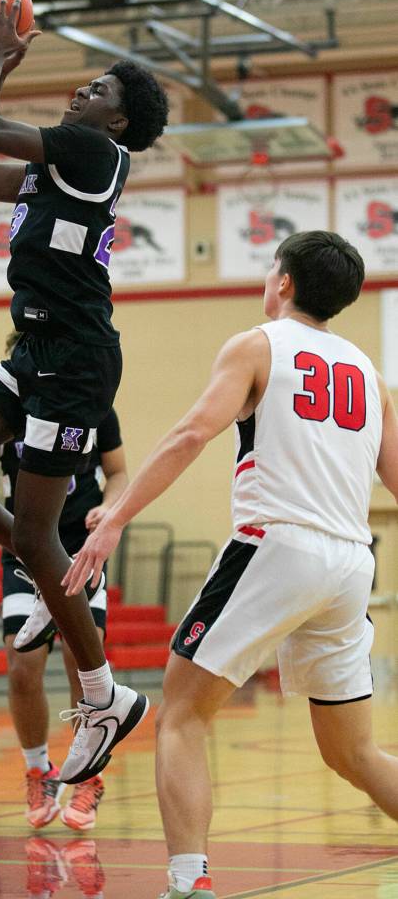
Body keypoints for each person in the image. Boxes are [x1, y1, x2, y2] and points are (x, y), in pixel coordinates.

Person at [66, 230, 398, 899]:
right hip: (348, 562)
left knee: (182, 714)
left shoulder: (257, 344)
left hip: (276, 546)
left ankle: (189, 883)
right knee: (351, 752)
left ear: (282, 283)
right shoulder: (369, 373)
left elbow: (191, 432)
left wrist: (120, 514)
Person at [0, 0, 168, 784]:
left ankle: (102, 696)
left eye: (98, 91)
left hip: (78, 362)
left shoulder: (91, 155)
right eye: (85, 84)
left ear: (115, 123)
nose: (80, 94)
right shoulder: (57, 166)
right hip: (36, 349)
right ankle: (36, 556)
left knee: (32, 536)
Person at [0, 374, 127, 829]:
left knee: (80, 658)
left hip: (78, 546)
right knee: (20, 661)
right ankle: (38, 768)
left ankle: (90, 776)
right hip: (25, 547)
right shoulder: (10, 404)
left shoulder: (93, 400)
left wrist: (110, 506)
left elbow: (119, 471)